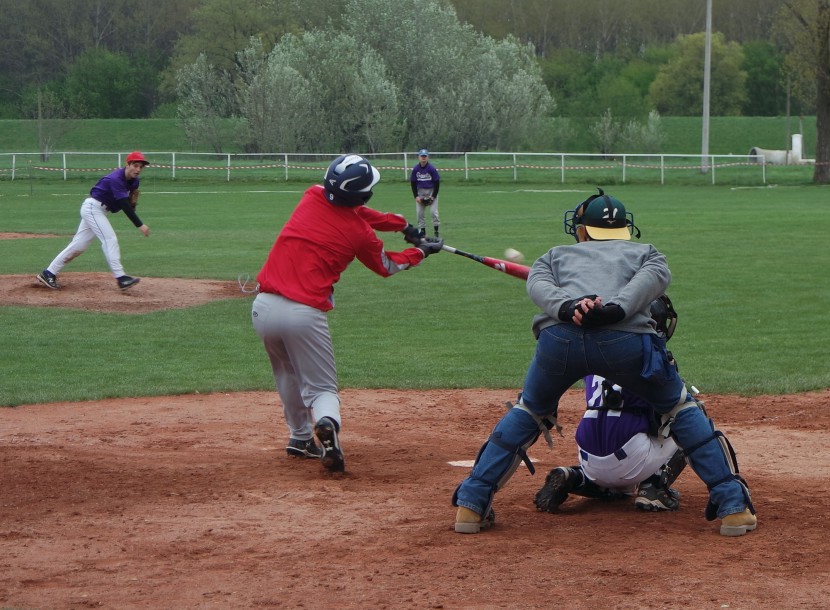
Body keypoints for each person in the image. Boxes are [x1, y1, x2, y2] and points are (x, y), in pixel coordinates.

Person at [452, 189, 756, 536]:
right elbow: (649, 284)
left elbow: (538, 287)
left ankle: (472, 504)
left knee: (530, 410)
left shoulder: (553, 256)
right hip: (626, 342)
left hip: (559, 340)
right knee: (680, 409)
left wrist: (569, 308)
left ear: (582, 229)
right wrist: (613, 310)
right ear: (625, 228)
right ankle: (733, 507)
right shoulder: (649, 254)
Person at [251, 154, 443, 474]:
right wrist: (420, 251)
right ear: (363, 195)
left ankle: (300, 438)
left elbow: (362, 212)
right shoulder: (359, 234)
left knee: (287, 375)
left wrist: (403, 226)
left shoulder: (312, 194)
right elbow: (387, 265)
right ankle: (327, 424)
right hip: (303, 314)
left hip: (263, 307)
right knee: (322, 389)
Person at [534, 295, 689, 513]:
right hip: (631, 455)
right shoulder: (653, 359)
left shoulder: (594, 351)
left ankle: (576, 476)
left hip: (588, 454)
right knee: (690, 415)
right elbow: (660, 419)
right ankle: (654, 488)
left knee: (619, 485)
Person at [36, 151, 151, 291]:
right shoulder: (116, 179)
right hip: (93, 208)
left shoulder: (134, 181)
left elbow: (130, 202)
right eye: (135, 165)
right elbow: (124, 205)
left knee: (79, 246)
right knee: (110, 239)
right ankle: (121, 278)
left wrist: (132, 203)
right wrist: (139, 224)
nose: (138, 169)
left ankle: (48, 273)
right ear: (127, 164)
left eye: (141, 167)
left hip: (100, 211)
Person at [410, 148, 441, 238]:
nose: (423, 158)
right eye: (422, 156)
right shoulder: (416, 168)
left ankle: (436, 232)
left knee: (433, 212)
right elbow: (413, 182)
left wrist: (433, 196)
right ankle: (423, 234)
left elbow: (437, 182)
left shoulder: (431, 168)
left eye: (425, 156)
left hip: (431, 191)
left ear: (428, 157)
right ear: (419, 157)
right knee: (419, 213)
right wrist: (416, 196)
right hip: (420, 193)